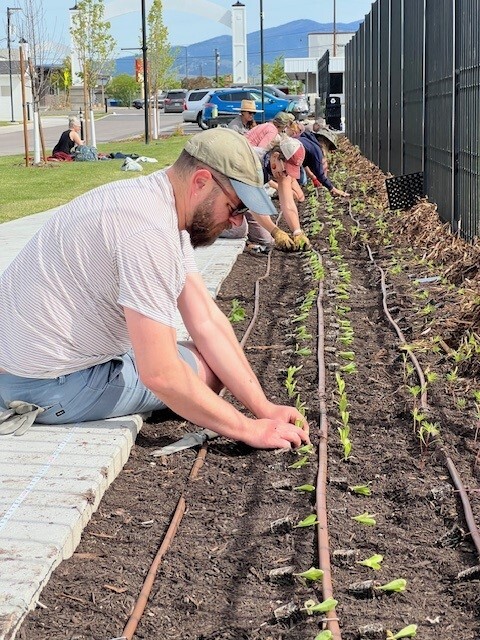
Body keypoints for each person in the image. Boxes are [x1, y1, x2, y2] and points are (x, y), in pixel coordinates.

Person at [0, 128, 309, 451]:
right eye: (235, 207)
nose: (235, 222)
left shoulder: (153, 203)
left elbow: (206, 320)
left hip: (22, 367)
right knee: (203, 372)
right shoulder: (148, 234)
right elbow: (160, 374)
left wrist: (265, 408)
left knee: (203, 357)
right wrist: (247, 428)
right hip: (47, 387)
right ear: (201, 182)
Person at [221, 136, 310, 251]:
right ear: (275, 156)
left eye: (288, 173)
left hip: (242, 200)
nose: (285, 175)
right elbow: (254, 203)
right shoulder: (252, 161)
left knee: (265, 239)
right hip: (221, 195)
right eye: (284, 170)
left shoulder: (280, 171)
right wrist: (276, 231)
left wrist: (297, 231)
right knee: (238, 230)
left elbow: (288, 204)